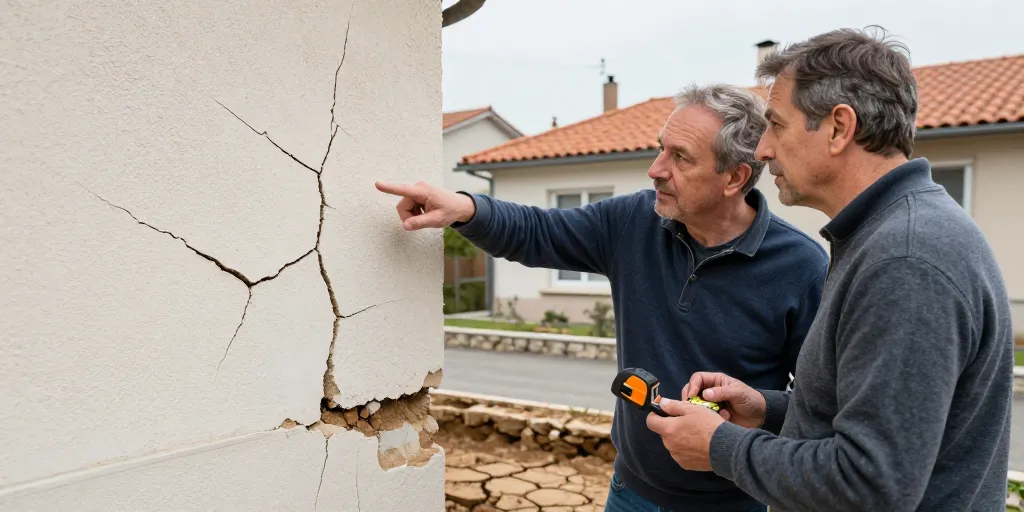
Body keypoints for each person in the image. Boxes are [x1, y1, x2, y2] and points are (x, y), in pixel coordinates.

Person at [376, 84, 829, 511]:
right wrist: (465, 209)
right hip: (629, 492)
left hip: (733, 503)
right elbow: (539, 232)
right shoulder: (634, 220)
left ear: (735, 177)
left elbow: (823, 407)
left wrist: (758, 412)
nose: (656, 169)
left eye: (680, 157)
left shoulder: (801, 268)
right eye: (661, 148)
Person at [645, 27, 1014, 511]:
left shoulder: (906, 259)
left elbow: (870, 485)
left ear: (839, 128)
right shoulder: (886, 233)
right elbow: (868, 419)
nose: (763, 150)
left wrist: (720, 447)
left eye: (777, 125)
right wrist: (768, 409)